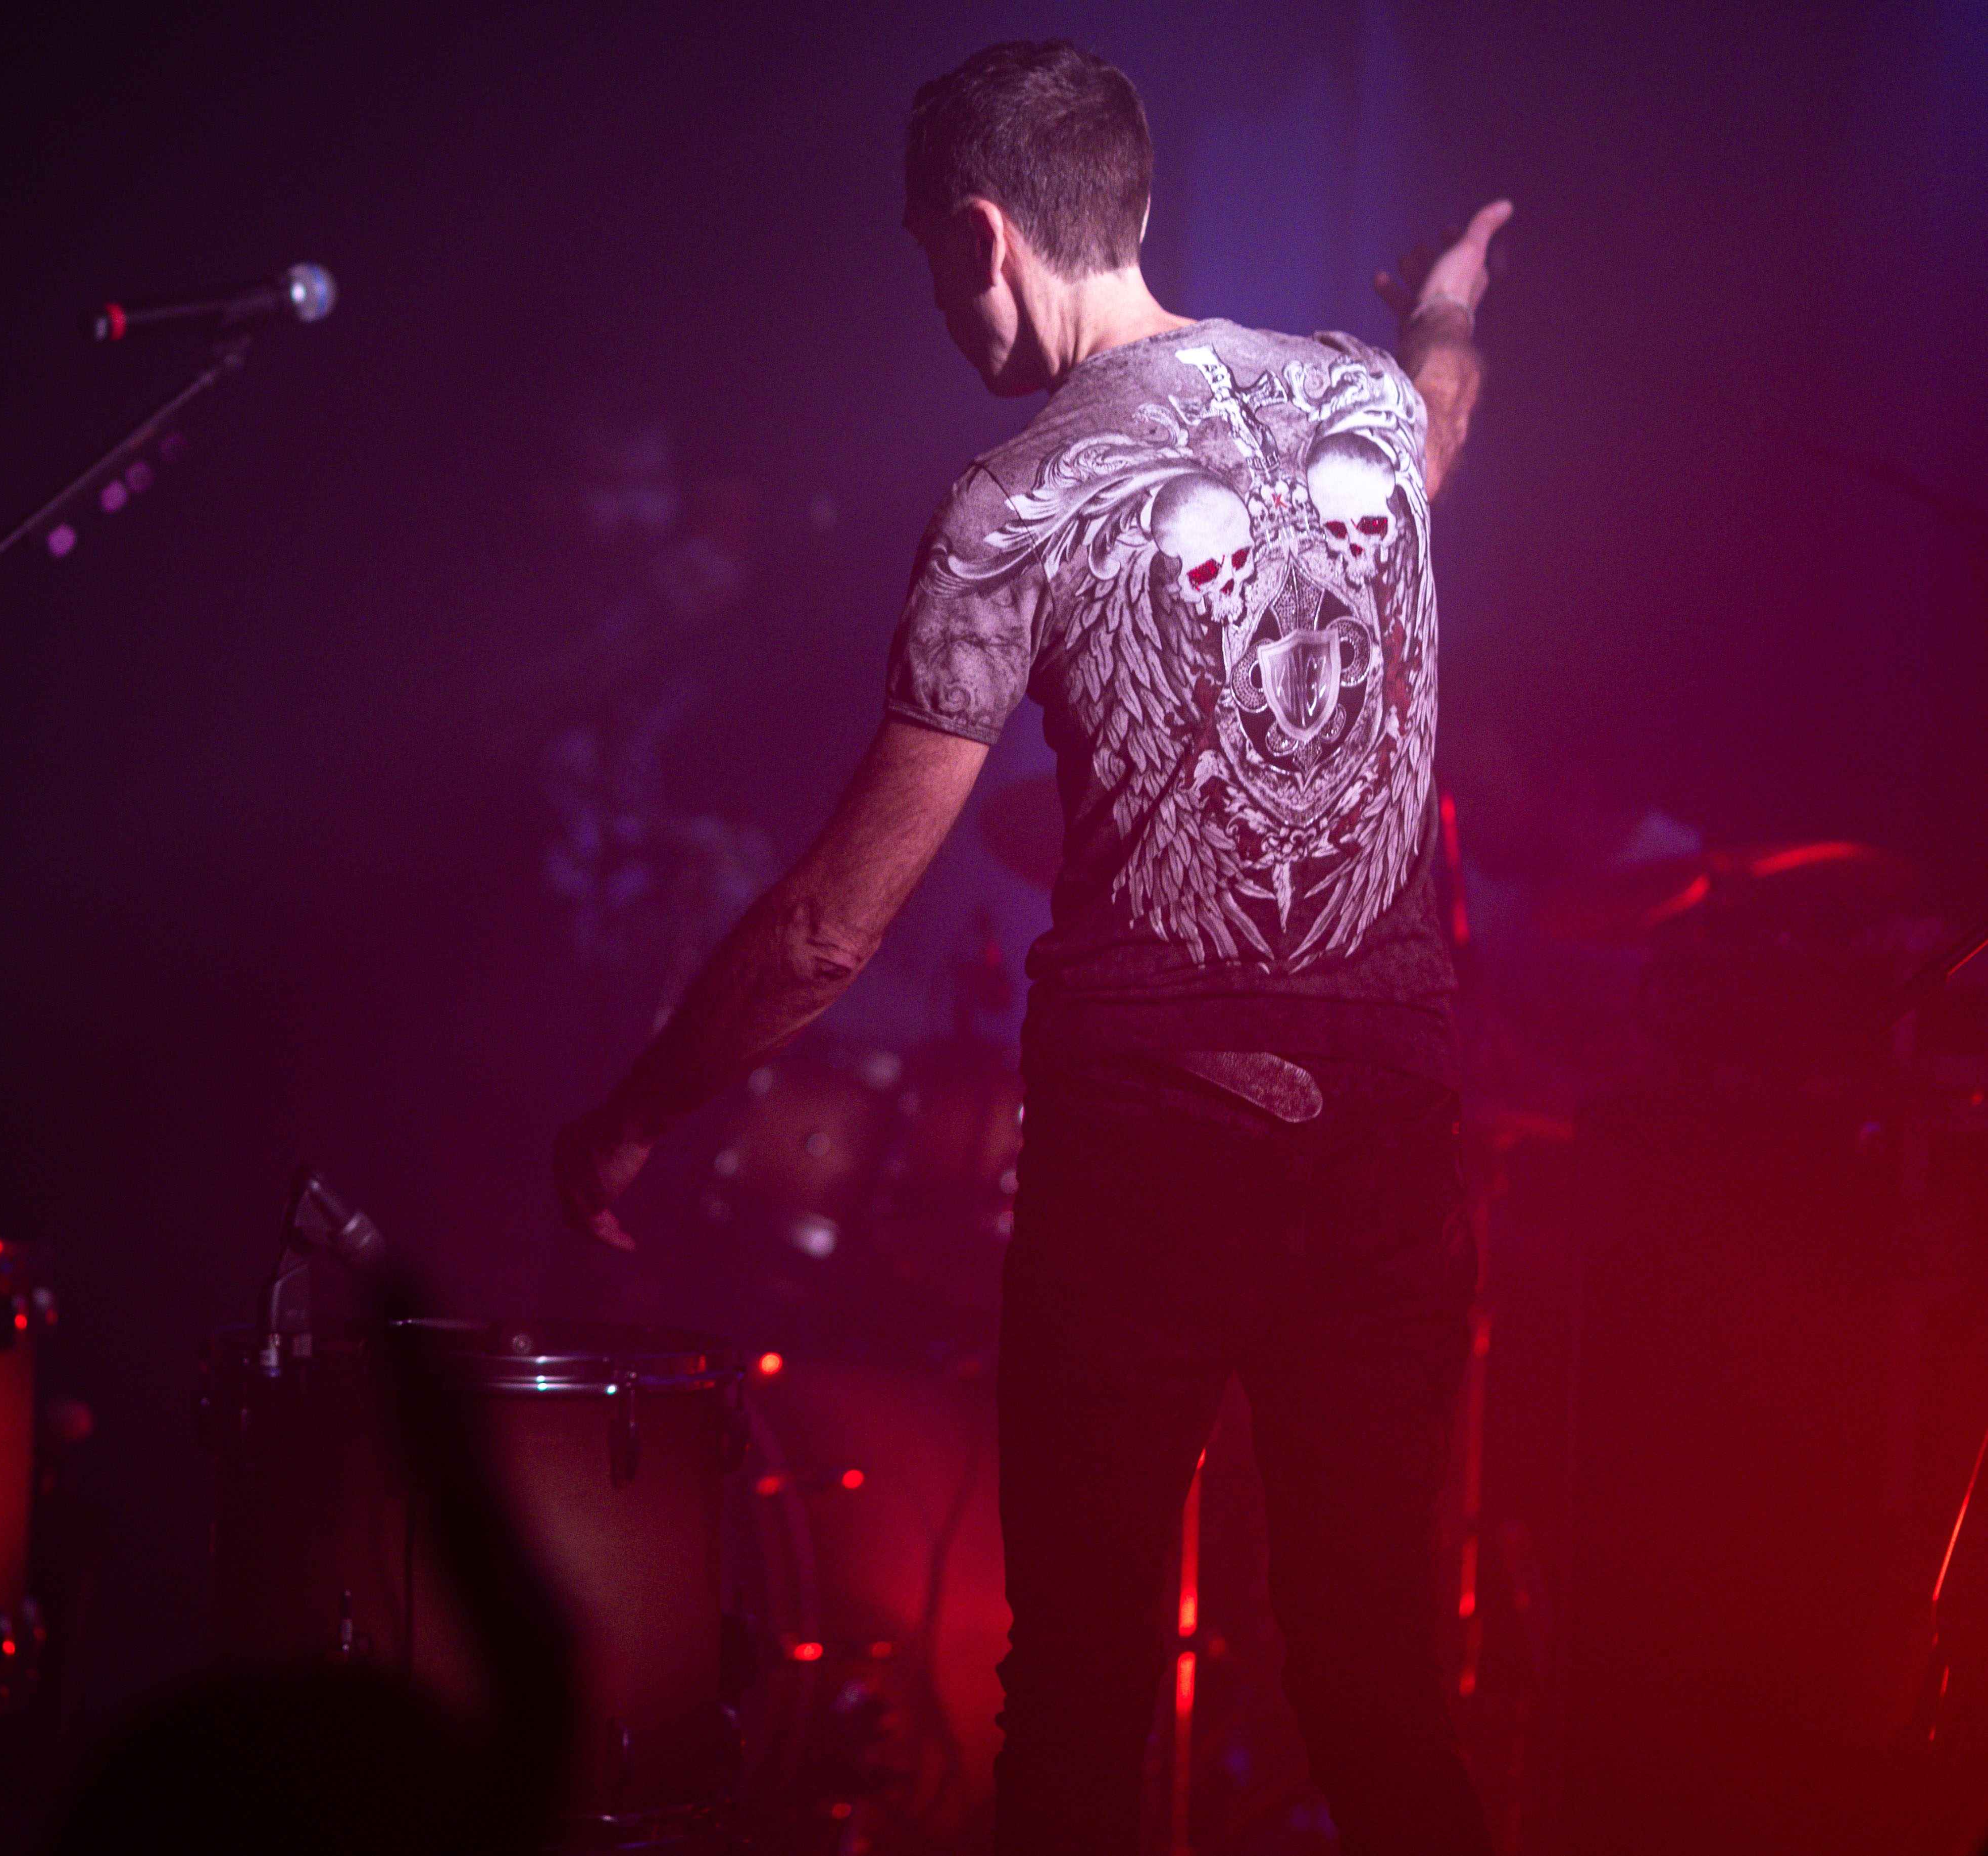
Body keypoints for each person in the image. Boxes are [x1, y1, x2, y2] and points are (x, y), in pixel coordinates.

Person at [554, 37, 1510, 1856]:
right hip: (1390, 1140)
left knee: (1076, 1702)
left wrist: (632, 1118)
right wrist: (1450, 303)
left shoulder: (1016, 507)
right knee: (1381, 1691)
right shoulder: (1369, 407)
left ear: (986, 235)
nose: (938, 303)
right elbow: (1444, 420)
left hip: (1148, 1159)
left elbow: (830, 928)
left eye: (932, 259)